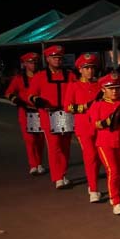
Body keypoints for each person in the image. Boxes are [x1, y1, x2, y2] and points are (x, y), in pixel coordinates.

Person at [27, 45, 76, 188]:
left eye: (59, 58)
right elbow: (30, 95)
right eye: (54, 57)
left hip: (66, 114)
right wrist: (38, 100)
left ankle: (63, 173)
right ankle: (58, 177)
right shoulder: (40, 76)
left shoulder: (70, 75)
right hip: (48, 115)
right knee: (54, 146)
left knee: (65, 146)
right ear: (48, 59)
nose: (57, 60)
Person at [89, 74, 120, 215]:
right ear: (103, 89)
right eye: (110, 88)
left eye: (116, 88)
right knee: (113, 170)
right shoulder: (98, 104)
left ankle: (115, 193)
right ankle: (116, 200)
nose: (114, 91)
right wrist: (108, 121)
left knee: (118, 172)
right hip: (105, 142)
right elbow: (95, 124)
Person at [64, 53, 102, 202]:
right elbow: (67, 107)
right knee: (90, 156)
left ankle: (93, 182)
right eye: (86, 68)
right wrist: (84, 107)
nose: (90, 71)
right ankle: (93, 189)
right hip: (83, 126)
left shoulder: (99, 84)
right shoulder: (74, 86)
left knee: (98, 157)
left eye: (92, 68)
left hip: (99, 125)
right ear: (80, 70)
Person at [4, 52, 46, 175]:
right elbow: (8, 92)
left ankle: (39, 163)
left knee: (40, 140)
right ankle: (33, 164)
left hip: (40, 111)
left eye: (35, 62)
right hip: (25, 111)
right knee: (30, 140)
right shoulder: (19, 78)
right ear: (25, 64)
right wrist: (15, 99)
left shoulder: (42, 76)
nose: (33, 65)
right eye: (30, 62)